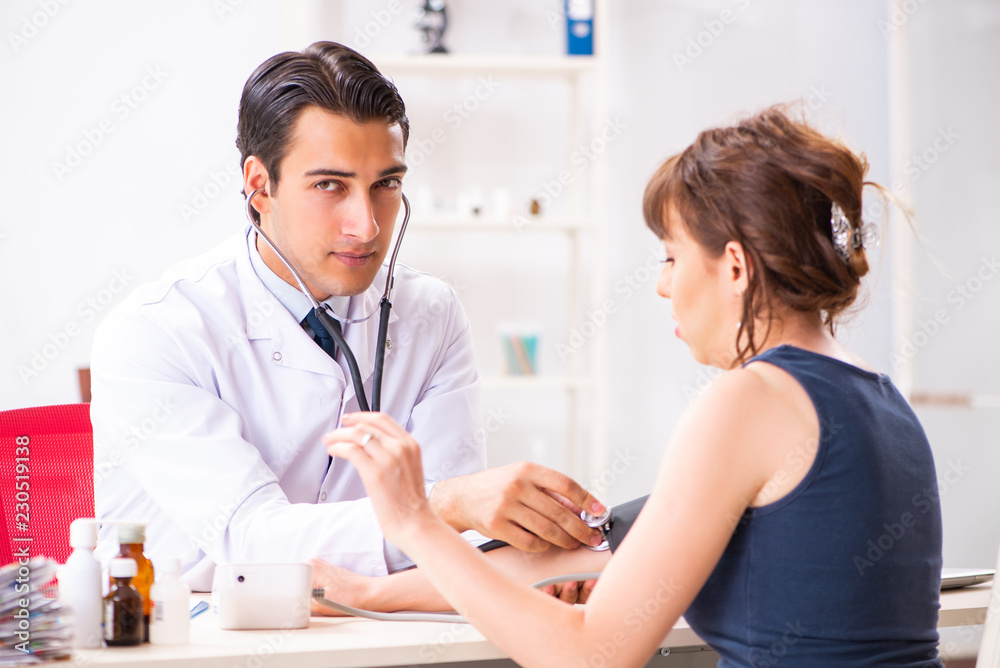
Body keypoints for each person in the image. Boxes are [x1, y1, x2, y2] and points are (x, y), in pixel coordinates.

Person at [321, 107, 945, 667]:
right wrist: (370, 591)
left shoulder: (749, 400)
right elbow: (595, 556)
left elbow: (591, 655)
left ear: (735, 267)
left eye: (672, 257)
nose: (662, 286)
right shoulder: (882, 400)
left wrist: (414, 521)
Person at [90, 41, 604, 592]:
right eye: (330, 185)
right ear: (260, 185)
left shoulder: (430, 312)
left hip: (376, 625)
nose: (366, 226)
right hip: (202, 634)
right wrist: (449, 506)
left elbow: (450, 541)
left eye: (386, 184)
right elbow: (251, 540)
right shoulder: (156, 330)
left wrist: (549, 563)